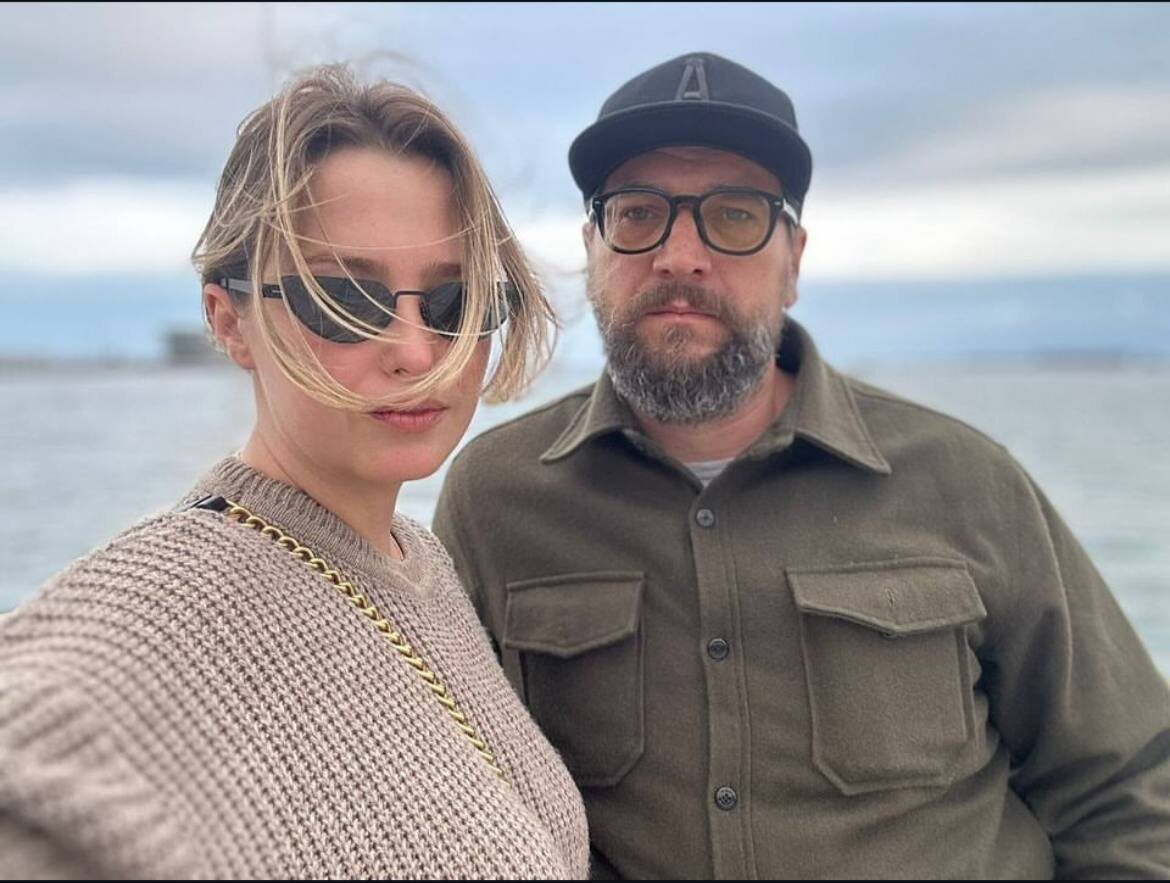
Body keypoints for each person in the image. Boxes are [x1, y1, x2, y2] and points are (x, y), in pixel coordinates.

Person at [434, 51, 1170, 879]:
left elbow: (1129, 787)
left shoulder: (966, 482)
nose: (679, 255)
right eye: (637, 214)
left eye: (735, 215)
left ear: (795, 261)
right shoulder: (496, 501)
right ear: (591, 249)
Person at [0, 64, 589, 879]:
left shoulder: (420, 562)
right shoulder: (146, 622)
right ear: (228, 320)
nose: (417, 352)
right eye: (345, 299)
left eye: (453, 303)